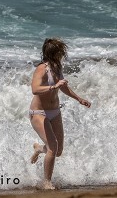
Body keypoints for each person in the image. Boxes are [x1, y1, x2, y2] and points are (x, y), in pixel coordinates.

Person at [29, 38, 91, 190]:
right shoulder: (41, 69)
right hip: (39, 113)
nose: (63, 54)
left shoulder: (57, 67)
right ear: (53, 53)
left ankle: (38, 148)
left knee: (58, 151)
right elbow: (35, 89)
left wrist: (79, 98)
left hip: (55, 112)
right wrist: (53, 86)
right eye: (61, 52)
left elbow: (63, 87)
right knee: (53, 147)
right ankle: (47, 182)